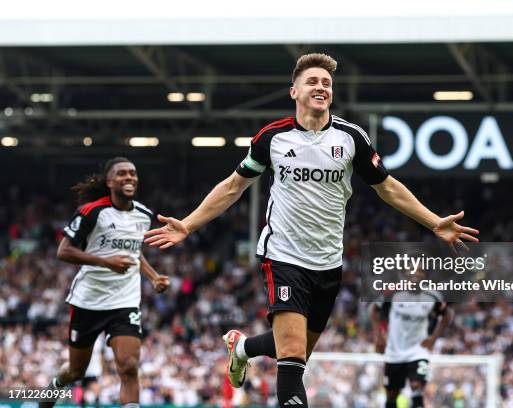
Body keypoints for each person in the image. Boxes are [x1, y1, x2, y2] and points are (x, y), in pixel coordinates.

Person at [144, 53, 479, 407]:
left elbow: (387, 187)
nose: (321, 87)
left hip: (328, 263)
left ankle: (241, 347)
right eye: (313, 82)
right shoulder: (272, 138)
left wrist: (432, 221)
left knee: (297, 350)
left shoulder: (352, 138)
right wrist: (189, 224)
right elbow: (233, 186)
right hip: (283, 255)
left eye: (326, 84)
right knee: (291, 355)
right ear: (294, 92)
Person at [41, 157, 170, 408]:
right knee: (76, 371)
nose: (129, 178)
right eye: (122, 174)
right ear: (110, 181)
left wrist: (153, 277)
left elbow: (135, 252)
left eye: (133, 173)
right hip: (88, 300)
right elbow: (64, 251)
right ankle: (53, 387)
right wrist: (106, 261)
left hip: (125, 300)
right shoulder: (92, 212)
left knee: (129, 366)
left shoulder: (143, 215)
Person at [369, 268, 454, 408]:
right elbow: (374, 309)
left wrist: (434, 338)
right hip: (394, 351)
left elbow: (448, 314)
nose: (415, 274)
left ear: (425, 276)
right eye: (412, 271)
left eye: (420, 271)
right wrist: (378, 337)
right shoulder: (392, 292)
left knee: (417, 385)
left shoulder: (433, 296)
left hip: (418, 350)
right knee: (392, 393)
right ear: (405, 274)